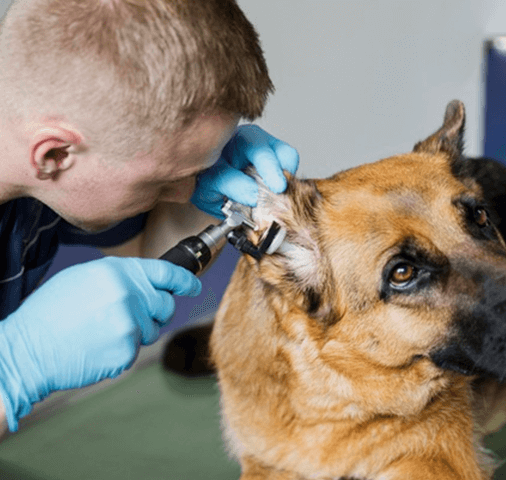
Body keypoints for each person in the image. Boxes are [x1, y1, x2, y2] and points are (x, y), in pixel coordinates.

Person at [0, 0, 299, 436]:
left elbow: (148, 257)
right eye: (166, 182)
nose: (182, 192)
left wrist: (208, 192)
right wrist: (16, 367)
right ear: (55, 154)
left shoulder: (43, 168)